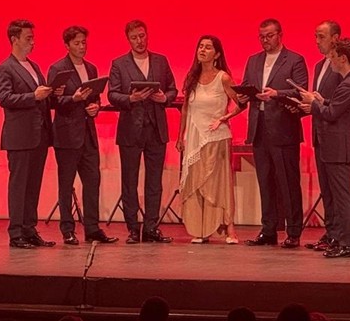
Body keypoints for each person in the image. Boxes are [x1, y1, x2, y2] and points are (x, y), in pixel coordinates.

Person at [239, 18, 308, 248]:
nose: (264, 40)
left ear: (280, 35)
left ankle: (294, 231)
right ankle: (269, 230)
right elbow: (248, 85)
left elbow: (301, 91)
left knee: (288, 182)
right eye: (261, 36)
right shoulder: (254, 60)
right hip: (259, 129)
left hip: (283, 128)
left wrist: (277, 93)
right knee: (265, 181)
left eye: (269, 35)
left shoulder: (295, 60)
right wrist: (243, 95)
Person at [108, 19, 178, 243]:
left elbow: (172, 89)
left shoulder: (160, 61)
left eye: (142, 36)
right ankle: (132, 228)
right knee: (129, 180)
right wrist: (131, 98)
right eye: (134, 37)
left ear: (147, 35)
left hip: (156, 129)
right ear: (128, 39)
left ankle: (151, 227)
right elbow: (112, 94)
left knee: (154, 181)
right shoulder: (119, 64)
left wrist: (164, 98)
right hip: (131, 130)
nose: (139, 41)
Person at [47, 25, 117, 245]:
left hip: (87, 133)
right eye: (76, 43)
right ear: (67, 45)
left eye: (83, 42)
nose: (81, 47)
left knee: (92, 181)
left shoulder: (91, 68)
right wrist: (74, 99)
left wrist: (95, 106)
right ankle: (67, 229)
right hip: (67, 134)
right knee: (66, 184)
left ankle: (92, 228)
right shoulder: (57, 68)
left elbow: (94, 98)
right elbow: (52, 102)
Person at [297, 38, 350, 258]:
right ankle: (341, 240)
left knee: (343, 196)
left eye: (334, 57)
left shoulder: (349, 84)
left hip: (338, 147)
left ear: (343, 58)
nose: (331, 61)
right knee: (337, 195)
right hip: (335, 146)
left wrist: (314, 103)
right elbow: (335, 107)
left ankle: (348, 243)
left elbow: (332, 114)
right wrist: (321, 100)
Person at [0, 19, 55, 248]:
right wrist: (34, 96)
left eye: (33, 38)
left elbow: (40, 95)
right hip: (19, 136)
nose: (32, 42)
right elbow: (4, 98)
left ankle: (30, 229)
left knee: (33, 184)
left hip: (38, 134)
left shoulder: (34, 66)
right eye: (28, 38)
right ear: (14, 39)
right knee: (19, 184)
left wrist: (50, 92)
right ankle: (16, 232)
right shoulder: (5, 68)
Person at [177, 35, 243, 244]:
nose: (202, 50)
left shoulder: (223, 77)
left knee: (219, 184)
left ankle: (229, 228)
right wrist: (181, 136)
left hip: (216, 138)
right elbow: (186, 109)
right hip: (195, 139)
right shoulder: (192, 78)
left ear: (217, 54)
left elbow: (240, 103)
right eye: (200, 46)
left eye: (208, 47)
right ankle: (202, 228)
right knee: (196, 183)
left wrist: (224, 118)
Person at [305, 19, 344, 251]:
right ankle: (330, 232)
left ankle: (339, 234)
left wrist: (318, 103)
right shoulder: (319, 66)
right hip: (319, 133)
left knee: (337, 189)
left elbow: (338, 103)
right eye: (316, 36)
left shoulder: (342, 67)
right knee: (326, 188)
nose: (317, 41)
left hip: (335, 135)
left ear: (335, 38)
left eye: (321, 36)